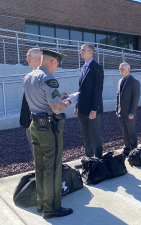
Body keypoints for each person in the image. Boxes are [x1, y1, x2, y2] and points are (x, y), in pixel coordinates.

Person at [22, 49, 74, 219]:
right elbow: (57, 108)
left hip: (35, 124)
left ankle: (41, 203)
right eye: (57, 64)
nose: (56, 68)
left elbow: (41, 98)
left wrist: (60, 96)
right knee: (52, 167)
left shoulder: (28, 77)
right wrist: (69, 100)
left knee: (40, 166)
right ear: (52, 62)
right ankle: (52, 208)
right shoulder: (49, 78)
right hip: (49, 128)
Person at [74, 44, 104, 169]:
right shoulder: (83, 67)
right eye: (80, 50)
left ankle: (98, 161)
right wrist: (77, 106)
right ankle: (88, 160)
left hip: (92, 109)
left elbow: (98, 90)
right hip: (82, 109)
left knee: (95, 134)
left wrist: (94, 109)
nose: (81, 52)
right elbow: (81, 89)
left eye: (83, 50)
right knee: (86, 135)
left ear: (90, 52)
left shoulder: (96, 67)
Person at [20, 48, 42, 155]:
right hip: (31, 121)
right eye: (27, 56)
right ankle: (40, 171)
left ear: (39, 58)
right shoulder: (30, 76)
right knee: (36, 152)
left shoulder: (43, 76)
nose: (27, 59)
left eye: (30, 56)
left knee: (41, 152)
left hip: (39, 122)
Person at [116, 62, 140, 155]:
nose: (120, 71)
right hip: (121, 111)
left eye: (122, 69)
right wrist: (117, 108)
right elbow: (118, 95)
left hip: (129, 112)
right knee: (125, 131)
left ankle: (134, 151)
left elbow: (136, 98)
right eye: (120, 69)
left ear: (128, 69)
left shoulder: (134, 81)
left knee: (131, 131)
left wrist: (132, 112)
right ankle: (127, 148)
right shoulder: (120, 81)